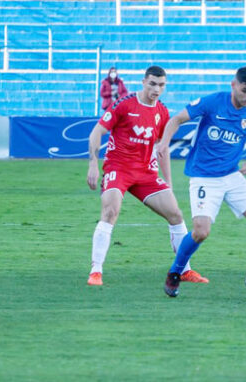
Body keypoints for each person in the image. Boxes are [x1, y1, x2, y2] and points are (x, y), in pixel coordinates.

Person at [86, 65, 208, 286]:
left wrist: (168, 183)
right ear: (143, 82)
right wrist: (94, 164)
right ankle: (96, 271)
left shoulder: (162, 112)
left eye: (161, 85)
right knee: (110, 211)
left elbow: (162, 149)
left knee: (175, 214)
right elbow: (97, 132)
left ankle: (183, 270)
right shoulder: (124, 105)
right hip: (118, 168)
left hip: (145, 172)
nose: (156, 89)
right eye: (152, 84)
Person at [157, 66, 246, 297]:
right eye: (245, 90)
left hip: (231, 174)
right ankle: (175, 272)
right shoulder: (212, 102)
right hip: (203, 176)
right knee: (201, 231)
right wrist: (164, 143)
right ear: (234, 85)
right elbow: (177, 119)